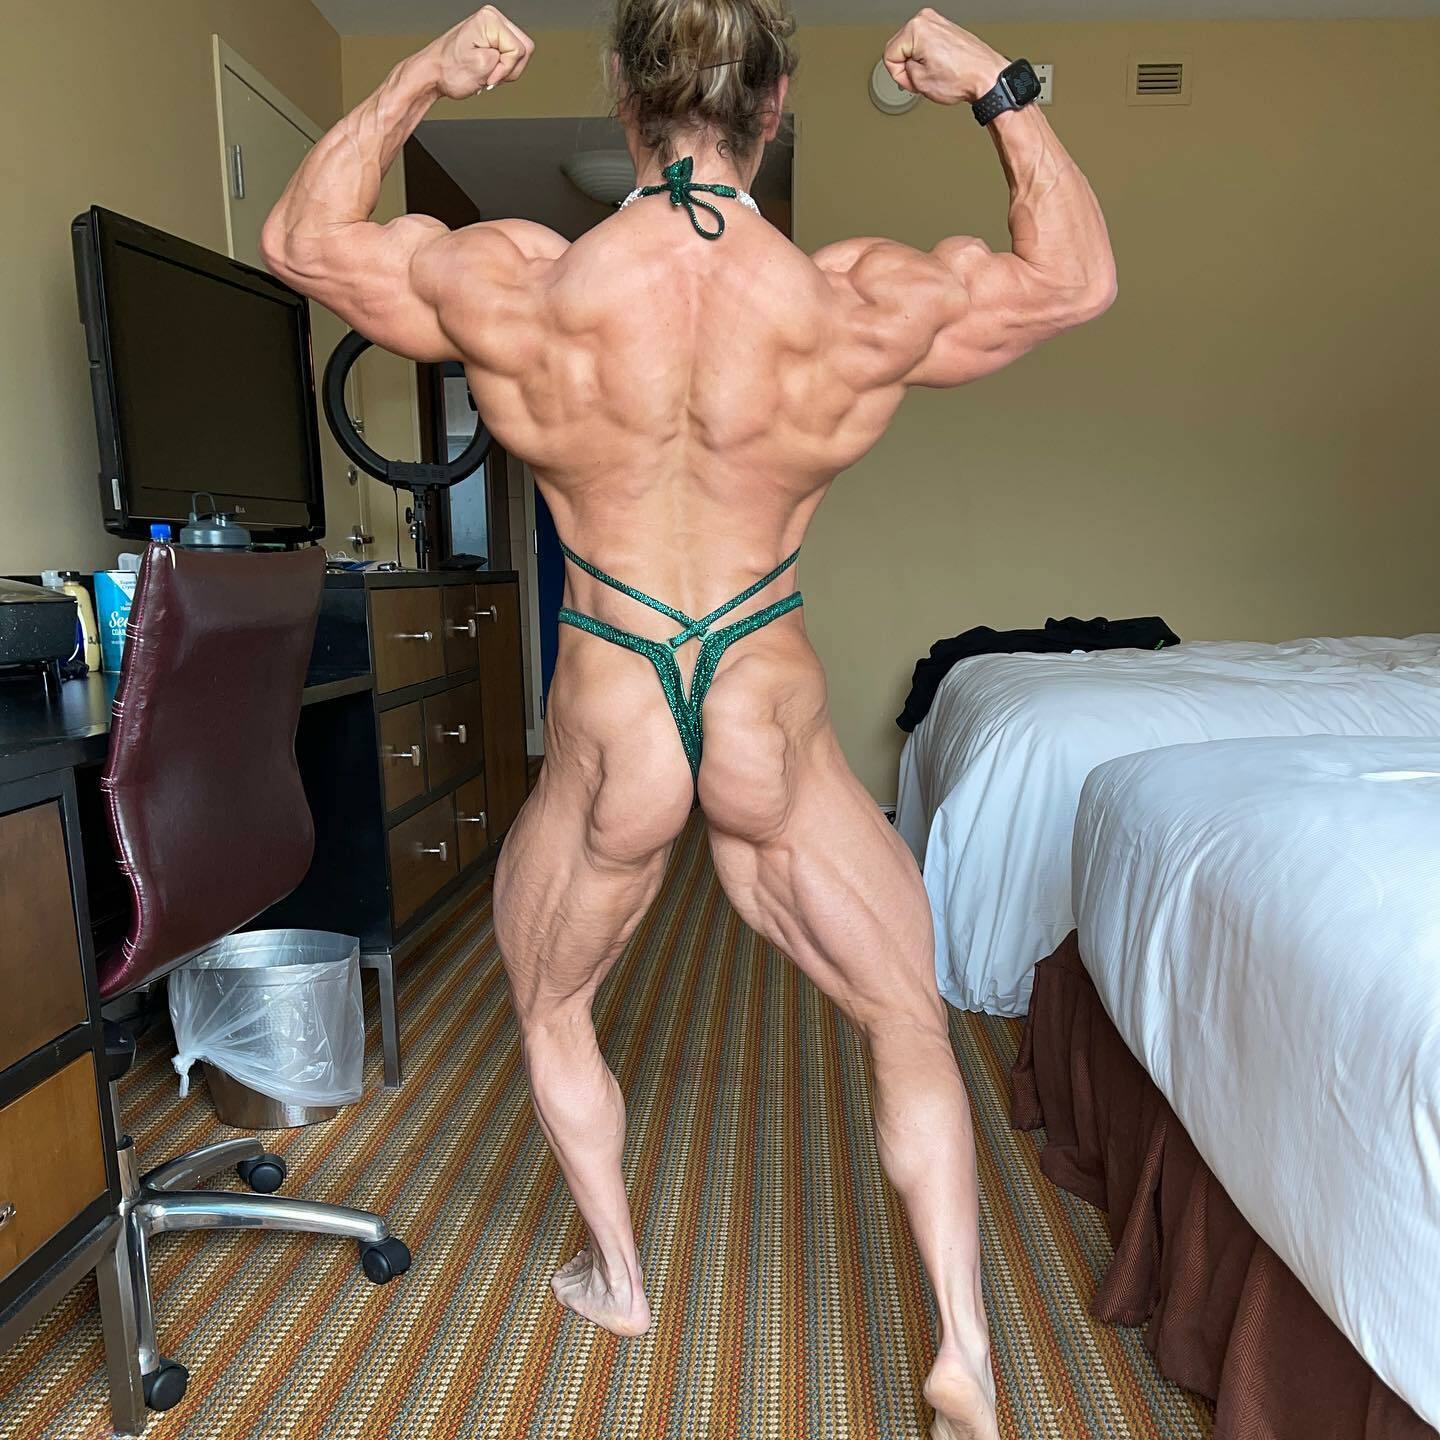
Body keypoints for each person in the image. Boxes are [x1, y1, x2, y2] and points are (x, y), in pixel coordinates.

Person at [262, 5, 1114, 1435]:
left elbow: (301, 240)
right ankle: (963, 1347)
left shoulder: (521, 282)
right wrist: (995, 88)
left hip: (615, 707)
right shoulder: (852, 299)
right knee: (904, 1016)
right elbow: (1072, 280)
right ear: (772, 110)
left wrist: (418, 75)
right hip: (763, 701)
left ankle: (619, 1276)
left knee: (553, 1002)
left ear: (622, 98)